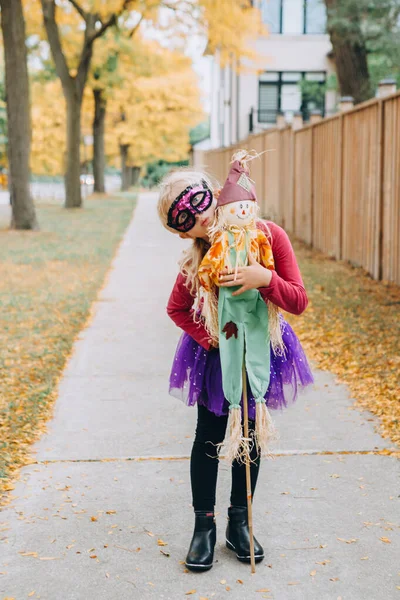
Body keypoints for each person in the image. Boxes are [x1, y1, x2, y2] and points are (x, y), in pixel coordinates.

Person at [157, 165, 314, 572]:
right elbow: (176, 308)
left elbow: (297, 299)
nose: (197, 215)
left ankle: (240, 522)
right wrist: (211, 337)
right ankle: (203, 527)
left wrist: (265, 278)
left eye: (197, 199)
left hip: (260, 350)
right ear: (181, 232)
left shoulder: (268, 235)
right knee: (208, 435)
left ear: (213, 192)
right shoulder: (198, 259)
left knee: (250, 430)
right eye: (183, 217)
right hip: (215, 358)